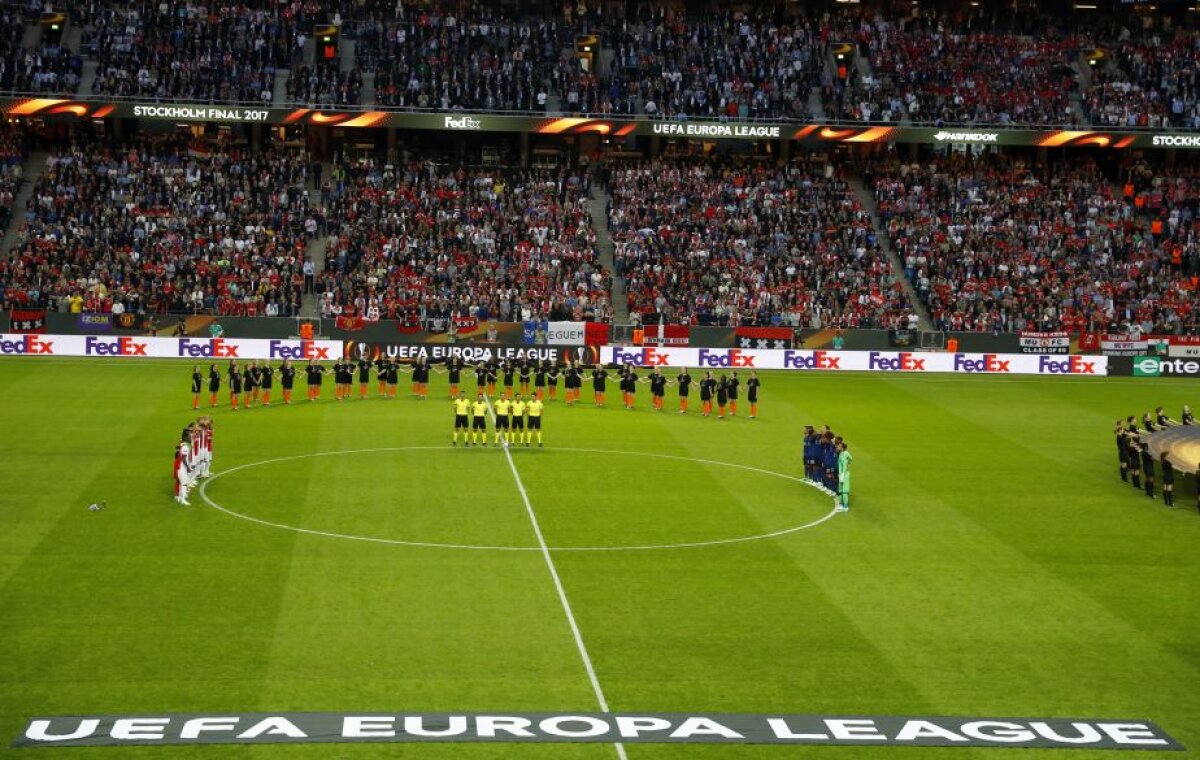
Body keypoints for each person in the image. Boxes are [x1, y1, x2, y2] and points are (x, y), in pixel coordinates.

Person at [173, 441, 191, 505]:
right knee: (184, 484)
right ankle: (183, 500)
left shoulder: (182, 448)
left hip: (180, 469)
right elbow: (183, 459)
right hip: (182, 470)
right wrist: (188, 467)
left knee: (181, 484)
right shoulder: (185, 447)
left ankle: (180, 498)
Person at [837, 441, 853, 512]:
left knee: (844, 490)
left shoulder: (846, 454)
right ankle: (840, 504)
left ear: (842, 447)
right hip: (841, 473)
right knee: (840, 490)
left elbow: (850, 459)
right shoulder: (841, 453)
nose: (838, 447)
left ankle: (845, 507)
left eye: (839, 446)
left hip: (845, 474)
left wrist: (843, 473)